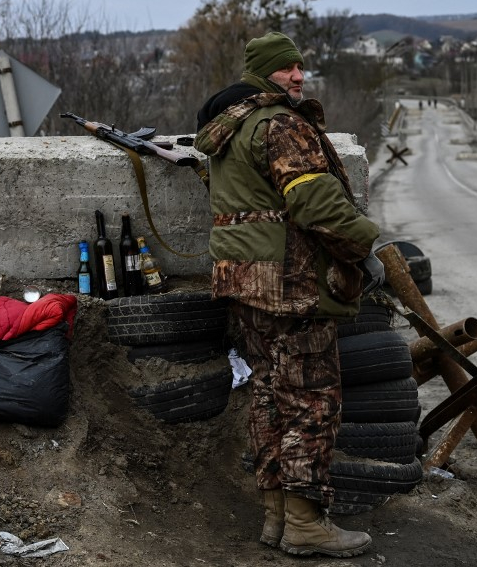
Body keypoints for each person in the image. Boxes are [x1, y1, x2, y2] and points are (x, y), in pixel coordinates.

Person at [193, 32, 383, 558]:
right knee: (311, 400)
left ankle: (276, 519)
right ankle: (306, 524)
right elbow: (315, 205)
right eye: (286, 69)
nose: (298, 76)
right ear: (263, 74)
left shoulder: (228, 127)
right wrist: (367, 247)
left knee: (270, 395)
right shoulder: (281, 125)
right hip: (289, 283)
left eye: (300, 67)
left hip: (244, 280)